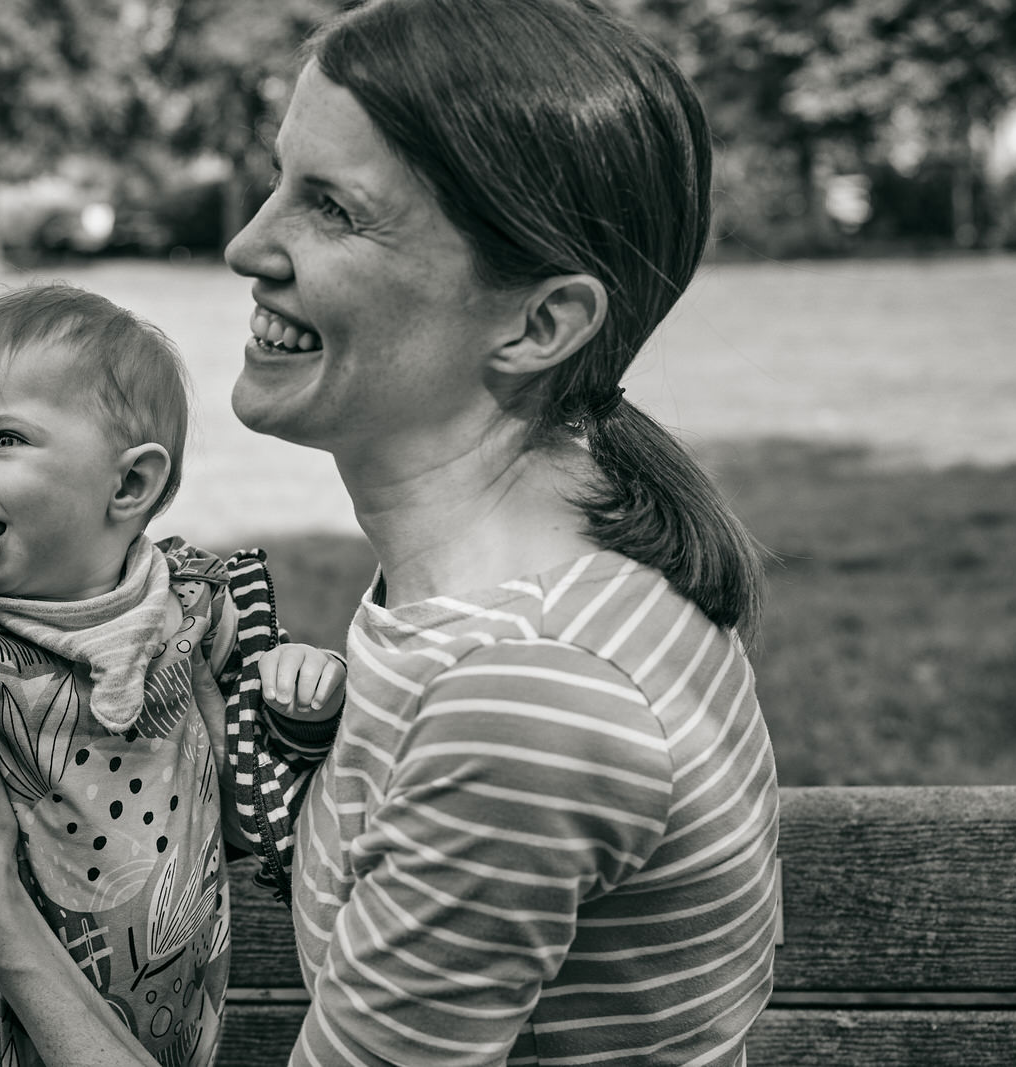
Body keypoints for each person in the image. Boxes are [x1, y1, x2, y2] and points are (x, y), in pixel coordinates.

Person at [218, 0, 781, 1062]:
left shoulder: (527, 698)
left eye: (333, 209)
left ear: (538, 324)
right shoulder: (511, 587)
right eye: (282, 180)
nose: (250, 243)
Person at [0, 283, 345, 1067]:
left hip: (163, 1029)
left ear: (129, 486)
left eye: (3, 438)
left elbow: (259, 770)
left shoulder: (194, 611)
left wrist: (301, 701)